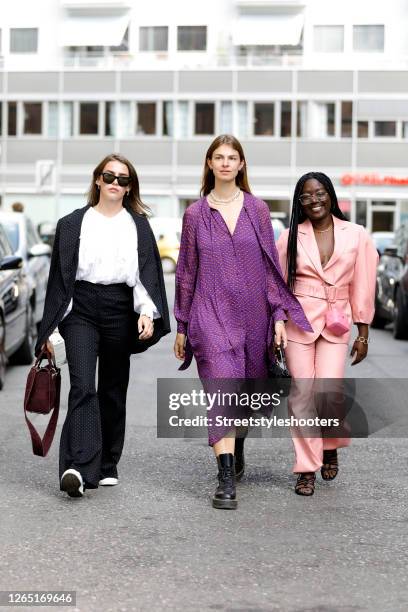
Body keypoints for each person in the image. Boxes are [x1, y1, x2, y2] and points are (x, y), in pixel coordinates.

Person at [174, 134, 311, 510]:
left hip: (254, 316)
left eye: (231, 157)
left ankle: (237, 444)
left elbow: (270, 268)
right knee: (222, 392)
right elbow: (186, 272)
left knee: (244, 395)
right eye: (218, 157)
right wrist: (182, 325)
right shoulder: (195, 215)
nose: (225, 163)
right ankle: (225, 477)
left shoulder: (258, 210)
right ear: (209, 164)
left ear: (241, 164)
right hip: (210, 314)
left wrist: (280, 316)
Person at [36, 153, 170, 498]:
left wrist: (144, 311)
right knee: (83, 385)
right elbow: (59, 279)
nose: (115, 182)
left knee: (112, 387)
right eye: (108, 176)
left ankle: (108, 462)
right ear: (97, 180)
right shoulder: (72, 224)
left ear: (129, 187)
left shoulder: (137, 224)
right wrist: (51, 327)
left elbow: (146, 273)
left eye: (122, 179)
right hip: (80, 308)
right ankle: (78, 469)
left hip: (119, 308)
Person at [277, 172, 378, 496]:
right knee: (302, 394)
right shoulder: (290, 236)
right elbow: (277, 286)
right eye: (306, 196)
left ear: (330, 195)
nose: (314, 200)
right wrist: (275, 323)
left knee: (329, 392)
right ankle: (307, 468)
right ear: (300, 202)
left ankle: (330, 443)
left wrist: (363, 333)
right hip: (299, 323)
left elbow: (363, 283)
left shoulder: (356, 235)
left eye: (320, 193)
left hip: (337, 322)